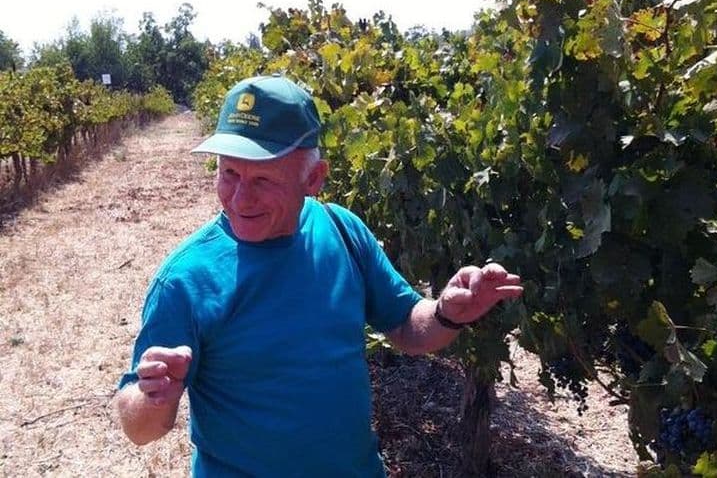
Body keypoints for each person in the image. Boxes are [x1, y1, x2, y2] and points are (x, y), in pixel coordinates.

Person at [115, 74, 524, 477]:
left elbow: (406, 326)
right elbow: (138, 428)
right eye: (229, 174)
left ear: (314, 178)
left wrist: (446, 313)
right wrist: (153, 399)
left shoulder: (342, 231)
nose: (240, 199)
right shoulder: (186, 279)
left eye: (262, 179)